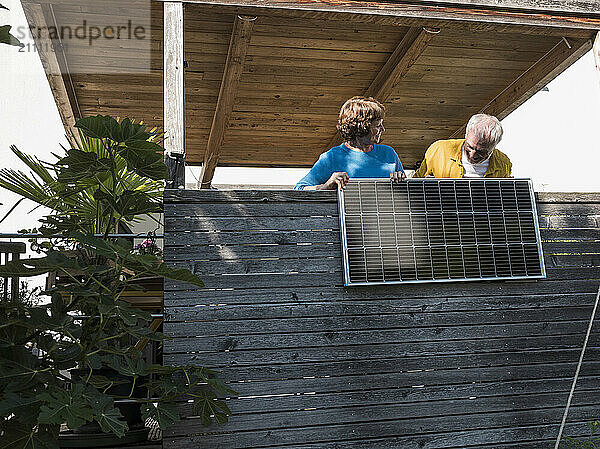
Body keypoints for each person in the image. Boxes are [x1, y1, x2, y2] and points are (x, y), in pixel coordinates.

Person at [294, 96, 405, 190]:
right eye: (377, 125)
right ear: (362, 127)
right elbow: (300, 188)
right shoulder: (332, 157)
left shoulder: (389, 153)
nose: (383, 129)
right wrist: (327, 185)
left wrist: (401, 181)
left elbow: (408, 193)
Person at [413, 113, 512, 178]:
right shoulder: (439, 150)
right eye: (470, 147)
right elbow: (415, 184)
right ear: (466, 135)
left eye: (481, 152)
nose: (473, 155)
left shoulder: (503, 164)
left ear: (493, 147)